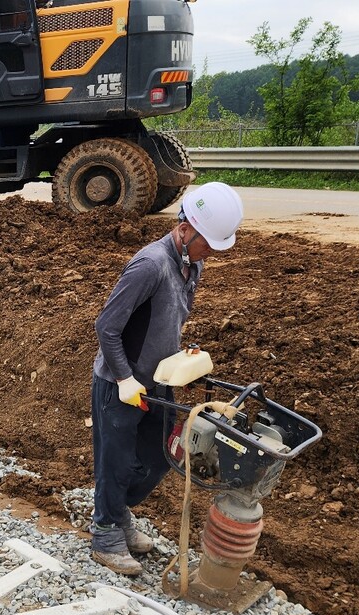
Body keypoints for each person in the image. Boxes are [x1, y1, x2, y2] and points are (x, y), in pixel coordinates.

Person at [89, 182, 244, 576]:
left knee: (159, 456)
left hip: (157, 380)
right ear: (185, 228)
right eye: (207, 242)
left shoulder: (193, 263)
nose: (209, 251)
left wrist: (180, 356)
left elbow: (171, 316)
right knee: (116, 460)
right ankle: (106, 533)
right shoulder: (150, 264)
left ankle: (119, 514)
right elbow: (107, 326)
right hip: (120, 383)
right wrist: (124, 378)